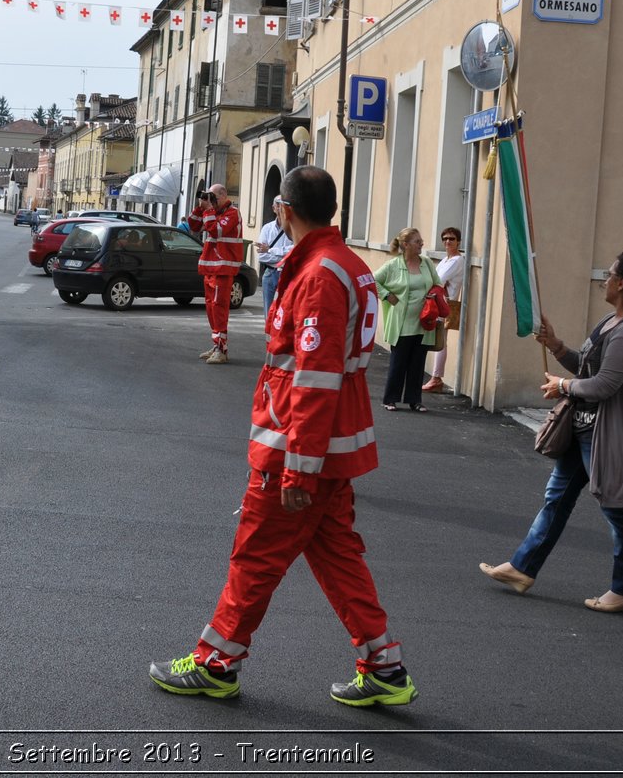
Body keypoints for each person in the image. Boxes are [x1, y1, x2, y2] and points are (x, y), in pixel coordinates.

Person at [148, 165, 417, 708]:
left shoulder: (318, 274)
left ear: (284, 210)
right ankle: (385, 668)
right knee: (339, 557)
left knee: (255, 556)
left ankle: (216, 662)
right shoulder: (348, 265)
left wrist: (298, 465)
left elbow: (312, 380)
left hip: (299, 448)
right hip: (332, 447)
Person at [479, 250, 623, 613]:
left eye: (610, 273)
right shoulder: (611, 322)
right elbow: (587, 368)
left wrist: (563, 386)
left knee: (617, 509)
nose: (604, 278)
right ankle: (522, 568)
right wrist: (555, 345)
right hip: (584, 430)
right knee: (557, 499)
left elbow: (602, 386)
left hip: (607, 436)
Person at [373, 227, 440, 411]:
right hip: (402, 323)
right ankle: (390, 399)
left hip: (424, 322)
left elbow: (438, 284)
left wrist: (434, 295)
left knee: (418, 363)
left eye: (420, 241)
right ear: (405, 244)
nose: (421, 244)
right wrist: (387, 295)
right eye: (417, 241)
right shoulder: (393, 265)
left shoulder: (426, 263)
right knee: (398, 363)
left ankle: (415, 400)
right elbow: (372, 280)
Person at [187, 183, 244, 364]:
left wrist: (209, 210)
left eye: (213, 197)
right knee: (211, 308)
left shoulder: (232, 213)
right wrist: (200, 206)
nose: (210, 201)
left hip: (223, 268)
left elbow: (216, 230)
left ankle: (221, 349)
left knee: (219, 308)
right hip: (211, 268)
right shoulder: (212, 212)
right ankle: (216, 345)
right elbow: (194, 226)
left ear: (223, 195)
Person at [424, 228, 466, 393]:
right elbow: (434, 279)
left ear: (458, 241)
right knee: (438, 340)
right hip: (438, 302)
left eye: (452, 239)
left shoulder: (457, 260)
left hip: (445, 304)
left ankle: (436, 378)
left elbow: (438, 280)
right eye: (445, 239)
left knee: (440, 341)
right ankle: (435, 377)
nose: (448, 242)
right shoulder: (445, 260)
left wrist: (435, 282)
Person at [255, 195, 294, 317]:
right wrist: (283, 255)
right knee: (269, 310)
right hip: (270, 273)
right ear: (273, 208)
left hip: (288, 273)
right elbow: (262, 256)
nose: (280, 207)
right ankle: (269, 336)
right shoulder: (267, 228)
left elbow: (294, 249)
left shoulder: (293, 227)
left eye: (282, 204)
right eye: (277, 204)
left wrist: (270, 250)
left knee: (285, 310)